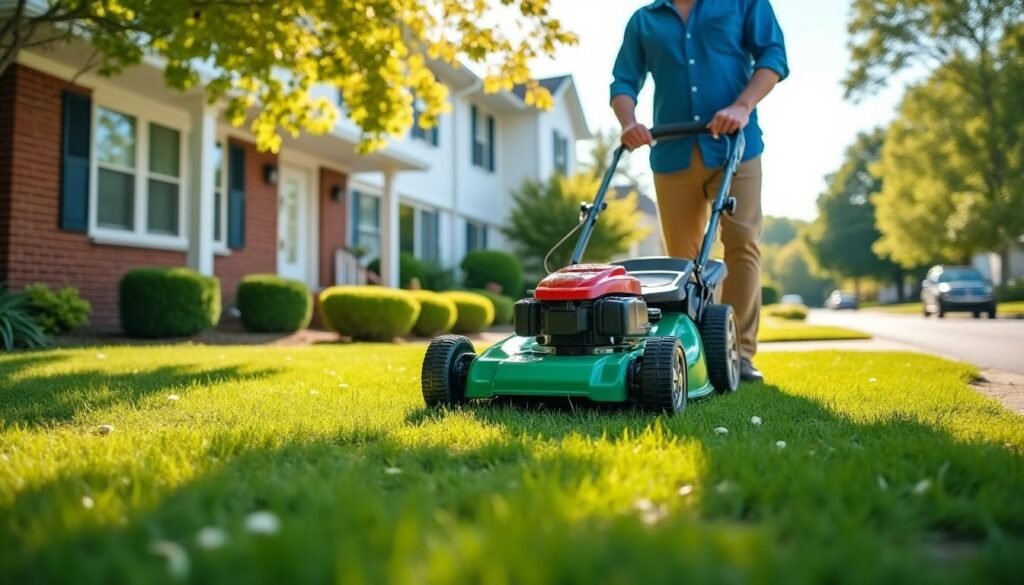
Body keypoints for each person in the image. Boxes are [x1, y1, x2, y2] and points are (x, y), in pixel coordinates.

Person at [610, 0, 788, 382]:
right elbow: (624, 81)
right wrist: (629, 122)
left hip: (736, 148)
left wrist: (742, 106)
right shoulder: (645, 20)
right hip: (673, 153)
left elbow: (773, 55)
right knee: (683, 264)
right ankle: (699, 355)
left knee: (742, 241)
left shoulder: (743, 4)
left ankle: (739, 353)